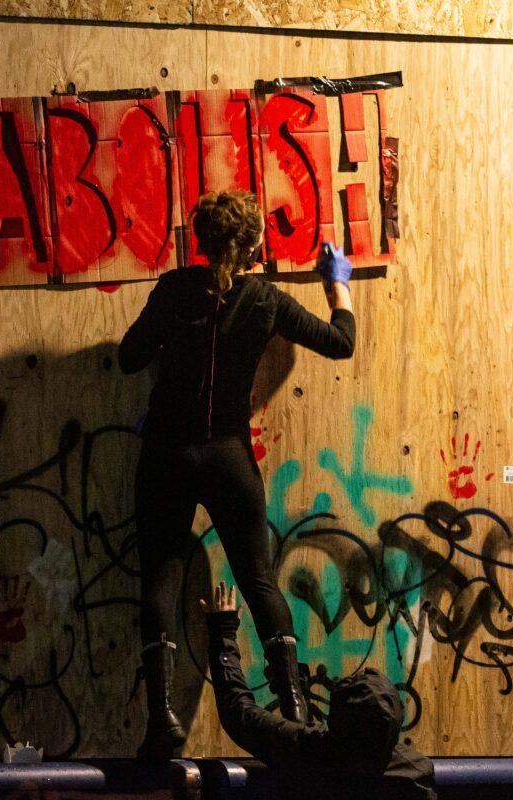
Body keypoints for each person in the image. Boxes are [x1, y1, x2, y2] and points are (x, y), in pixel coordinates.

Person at [120, 190, 356, 759]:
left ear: (199, 240)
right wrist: (337, 282)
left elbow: (129, 357)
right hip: (230, 458)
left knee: (159, 581)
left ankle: (162, 721)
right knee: (257, 581)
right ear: (253, 247)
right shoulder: (266, 301)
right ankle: (295, 712)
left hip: (167, 456)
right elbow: (341, 343)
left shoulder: (176, 289)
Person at [201, 582, 436, 800]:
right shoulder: (414, 772)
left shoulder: (312, 753)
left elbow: (239, 713)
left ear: (337, 719)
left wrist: (224, 635)